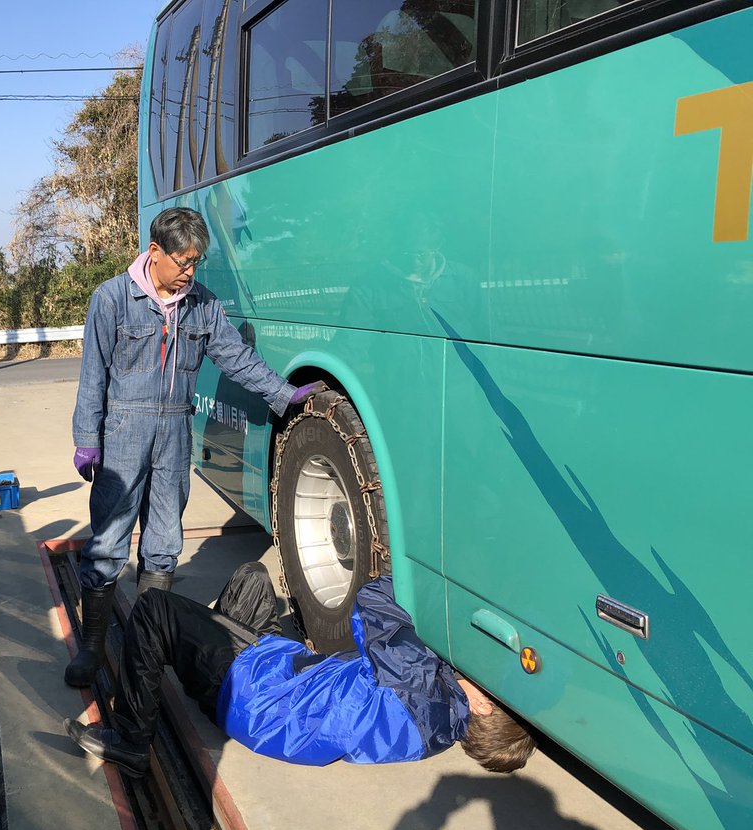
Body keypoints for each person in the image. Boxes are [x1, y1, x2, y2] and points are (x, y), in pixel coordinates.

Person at [67, 207, 321, 687]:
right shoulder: (112, 299)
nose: (188, 271)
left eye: (196, 263)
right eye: (182, 261)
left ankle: (142, 652)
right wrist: (86, 438)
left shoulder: (201, 304)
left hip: (175, 432)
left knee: (163, 546)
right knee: (107, 544)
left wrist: (281, 393)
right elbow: (93, 373)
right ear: (155, 251)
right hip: (124, 431)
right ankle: (93, 647)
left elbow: (235, 358)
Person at [64, 564, 537, 776]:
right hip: (282, 680)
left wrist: (429, 583)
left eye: (493, 693)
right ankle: (189, 656)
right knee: (253, 577)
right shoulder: (435, 728)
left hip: (254, 694)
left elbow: (371, 600)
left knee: (152, 609)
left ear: (480, 707)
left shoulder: (419, 680)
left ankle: (130, 742)